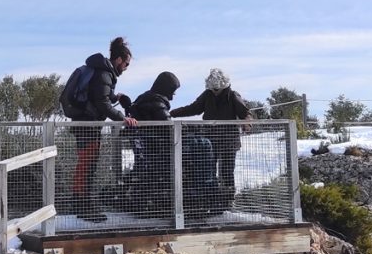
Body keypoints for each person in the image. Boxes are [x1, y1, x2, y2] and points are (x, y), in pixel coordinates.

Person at [68, 36, 136, 221]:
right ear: (119, 60)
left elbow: (100, 95)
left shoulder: (101, 71)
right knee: (87, 165)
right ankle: (84, 207)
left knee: (85, 164)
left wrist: (116, 97)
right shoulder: (104, 73)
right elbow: (102, 104)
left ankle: (80, 205)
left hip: (85, 122)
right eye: (126, 64)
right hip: (88, 124)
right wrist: (123, 118)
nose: (126, 67)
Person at [170, 67, 252, 191]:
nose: (214, 91)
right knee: (209, 170)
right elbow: (193, 108)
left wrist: (247, 124)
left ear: (224, 86)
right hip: (211, 140)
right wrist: (173, 113)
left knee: (227, 171)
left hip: (229, 141)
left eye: (217, 89)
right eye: (212, 89)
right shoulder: (207, 95)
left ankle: (228, 197)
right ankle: (212, 196)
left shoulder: (233, 95)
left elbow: (245, 113)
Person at [128, 72, 180, 215]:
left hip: (149, 147)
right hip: (158, 148)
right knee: (197, 148)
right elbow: (168, 127)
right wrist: (187, 130)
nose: (173, 96)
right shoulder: (157, 102)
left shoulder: (144, 98)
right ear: (167, 88)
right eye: (173, 91)